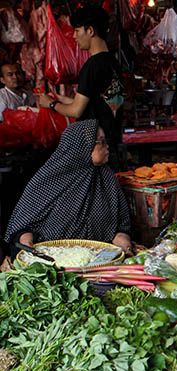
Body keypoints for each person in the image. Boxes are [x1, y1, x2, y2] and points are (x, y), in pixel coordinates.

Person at [4, 120, 131, 254]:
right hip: (52, 258)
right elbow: (21, 228)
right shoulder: (47, 181)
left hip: (99, 259)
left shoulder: (107, 179)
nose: (107, 147)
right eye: (101, 142)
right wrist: (27, 242)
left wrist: (122, 238)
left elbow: (121, 226)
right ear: (82, 147)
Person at [36, 6, 123, 164]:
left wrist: (51, 104)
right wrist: (64, 100)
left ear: (90, 31)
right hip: (112, 143)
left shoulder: (91, 66)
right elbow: (99, 103)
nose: (74, 36)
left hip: (95, 147)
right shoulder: (113, 62)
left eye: (77, 30)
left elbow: (76, 111)